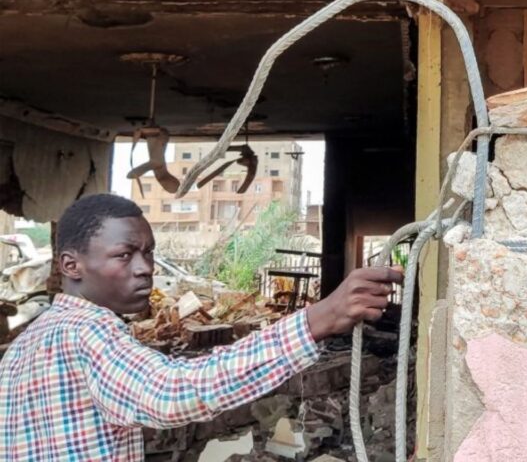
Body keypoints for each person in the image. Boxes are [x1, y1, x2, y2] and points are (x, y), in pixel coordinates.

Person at [0, 194, 401, 461]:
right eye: (124, 255)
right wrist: (317, 320)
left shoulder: (27, 342)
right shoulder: (86, 334)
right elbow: (173, 391)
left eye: (148, 253)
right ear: (72, 266)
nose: (145, 268)